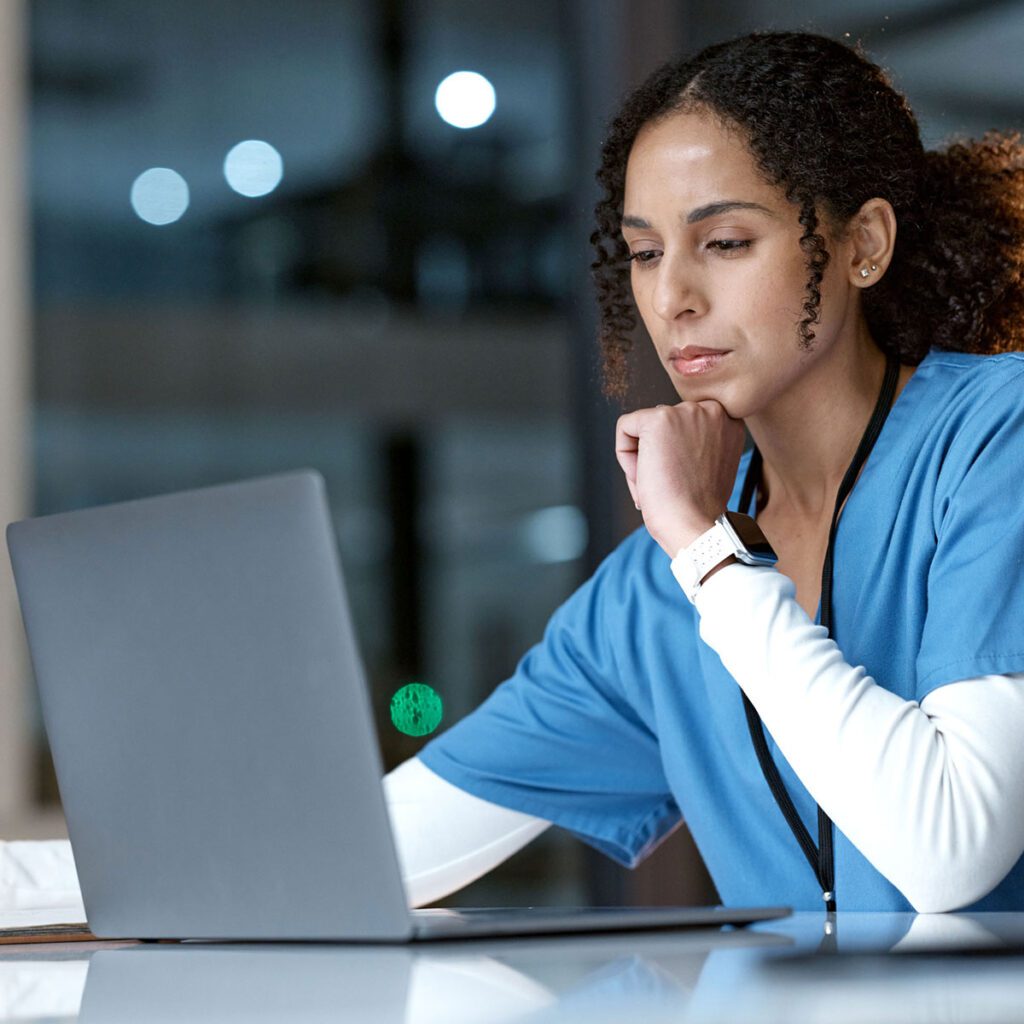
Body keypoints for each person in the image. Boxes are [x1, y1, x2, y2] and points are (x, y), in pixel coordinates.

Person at [5, 30, 1024, 917]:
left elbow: (947, 848)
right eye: (640, 252)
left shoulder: (993, 437)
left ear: (862, 244)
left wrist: (710, 554)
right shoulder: (645, 599)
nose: (670, 296)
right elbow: (376, 856)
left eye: (723, 241)